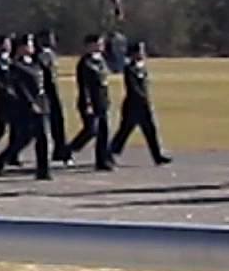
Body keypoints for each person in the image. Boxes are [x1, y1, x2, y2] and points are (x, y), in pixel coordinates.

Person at [0, 34, 51, 180]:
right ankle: (4, 158)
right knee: (24, 138)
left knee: (43, 137)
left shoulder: (37, 62)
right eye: (28, 45)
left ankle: (43, 170)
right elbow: (20, 87)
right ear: (20, 48)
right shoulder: (15, 66)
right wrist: (30, 103)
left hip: (42, 102)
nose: (31, 47)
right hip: (26, 106)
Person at [110, 41, 171, 165]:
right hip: (133, 106)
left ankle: (157, 156)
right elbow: (133, 88)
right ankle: (111, 152)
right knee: (125, 131)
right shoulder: (129, 68)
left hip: (144, 105)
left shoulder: (142, 67)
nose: (143, 53)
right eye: (140, 51)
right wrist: (142, 98)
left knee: (151, 130)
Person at [68, 34, 113, 171]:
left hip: (102, 101)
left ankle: (102, 160)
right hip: (90, 101)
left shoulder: (101, 60)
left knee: (104, 131)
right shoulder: (85, 63)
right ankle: (69, 149)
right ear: (90, 45)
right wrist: (88, 103)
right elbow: (84, 86)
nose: (101, 46)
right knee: (92, 130)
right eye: (98, 43)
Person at [37, 31, 73, 165]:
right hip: (44, 92)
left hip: (53, 91)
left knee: (58, 122)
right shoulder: (40, 55)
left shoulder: (51, 54)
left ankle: (61, 151)